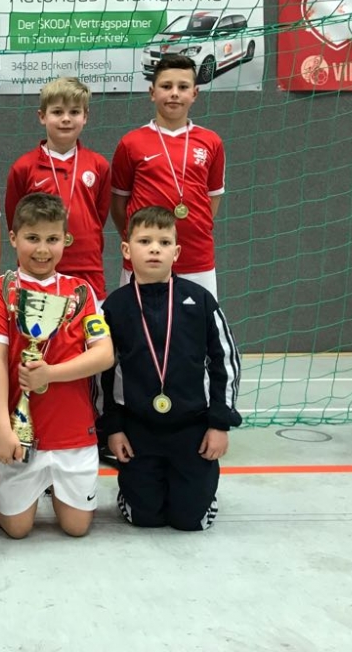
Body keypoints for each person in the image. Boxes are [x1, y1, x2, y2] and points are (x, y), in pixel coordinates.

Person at [99, 206, 241, 531]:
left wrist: (219, 424)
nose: (154, 249)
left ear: (176, 253)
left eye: (164, 243)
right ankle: (135, 492)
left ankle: (200, 494)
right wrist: (113, 429)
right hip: (138, 428)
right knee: (144, 518)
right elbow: (102, 375)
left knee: (190, 521)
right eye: (145, 241)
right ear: (126, 250)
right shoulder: (114, 307)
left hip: (192, 427)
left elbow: (226, 361)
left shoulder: (200, 301)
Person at [0, 193, 114, 539]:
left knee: (76, 528)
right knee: (17, 530)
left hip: (73, 431)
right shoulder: (0, 290)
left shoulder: (81, 292)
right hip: (22, 431)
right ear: (13, 238)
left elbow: (104, 355)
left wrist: (49, 374)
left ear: (66, 240)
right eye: (32, 238)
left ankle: (52, 486)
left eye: (52, 239)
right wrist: (1, 427)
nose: (42, 249)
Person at [110, 54, 226, 298]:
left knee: (198, 322)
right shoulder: (131, 142)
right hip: (144, 260)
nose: (174, 93)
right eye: (166, 86)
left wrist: (191, 227)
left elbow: (212, 200)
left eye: (183, 87)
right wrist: (138, 239)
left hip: (197, 258)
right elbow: (119, 204)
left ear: (194, 93)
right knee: (137, 322)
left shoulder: (211, 142)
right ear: (152, 92)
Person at [4, 77, 110, 301]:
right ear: (42, 116)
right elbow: (15, 219)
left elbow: (99, 215)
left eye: (74, 112)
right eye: (57, 112)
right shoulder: (24, 167)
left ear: (85, 116)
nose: (66, 119)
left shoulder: (98, 165)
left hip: (87, 268)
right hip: (38, 268)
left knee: (89, 323)